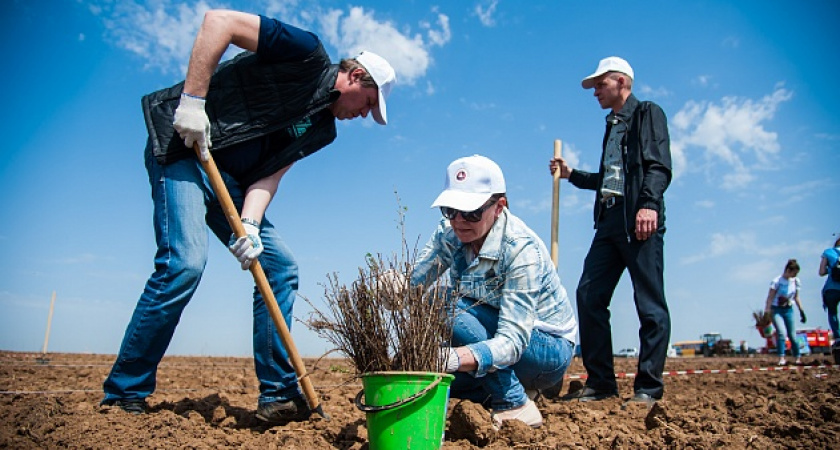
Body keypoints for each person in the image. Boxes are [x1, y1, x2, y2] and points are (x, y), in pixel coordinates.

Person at [101, 9, 396, 422]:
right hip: (184, 150)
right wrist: (193, 103)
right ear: (356, 76)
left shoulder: (323, 130)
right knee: (184, 264)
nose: (365, 114)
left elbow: (270, 175)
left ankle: (278, 395)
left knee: (279, 266)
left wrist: (252, 225)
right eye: (368, 103)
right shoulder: (305, 53)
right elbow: (219, 22)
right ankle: (124, 392)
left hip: (232, 184)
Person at [406, 155, 578, 428]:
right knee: (437, 379)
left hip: (544, 351)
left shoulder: (521, 249)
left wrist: (453, 357)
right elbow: (411, 286)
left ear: (499, 207)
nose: (458, 221)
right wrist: (392, 287)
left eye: (471, 212)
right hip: (495, 337)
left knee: (442, 302)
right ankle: (514, 389)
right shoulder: (450, 233)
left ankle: (514, 403)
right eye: (450, 210)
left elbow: (512, 341)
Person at [549, 56, 672, 405]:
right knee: (589, 294)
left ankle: (648, 388)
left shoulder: (647, 113)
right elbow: (610, 180)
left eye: (600, 84)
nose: (595, 92)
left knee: (649, 303)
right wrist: (571, 175)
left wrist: (648, 204)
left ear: (622, 81)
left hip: (639, 219)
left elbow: (658, 165)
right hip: (608, 221)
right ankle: (601, 383)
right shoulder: (613, 125)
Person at [763, 259, 807, 365]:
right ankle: (781, 358)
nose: (795, 275)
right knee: (781, 333)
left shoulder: (795, 281)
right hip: (776, 309)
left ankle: (797, 357)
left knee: (792, 335)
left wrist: (801, 311)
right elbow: (770, 298)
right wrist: (767, 312)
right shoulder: (777, 281)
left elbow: (796, 297)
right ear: (788, 270)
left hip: (788, 309)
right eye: (794, 273)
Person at [818, 237, 840, 348]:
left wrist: (831, 269)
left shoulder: (828, 252)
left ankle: (838, 337)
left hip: (831, 289)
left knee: (832, 313)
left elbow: (821, 272)